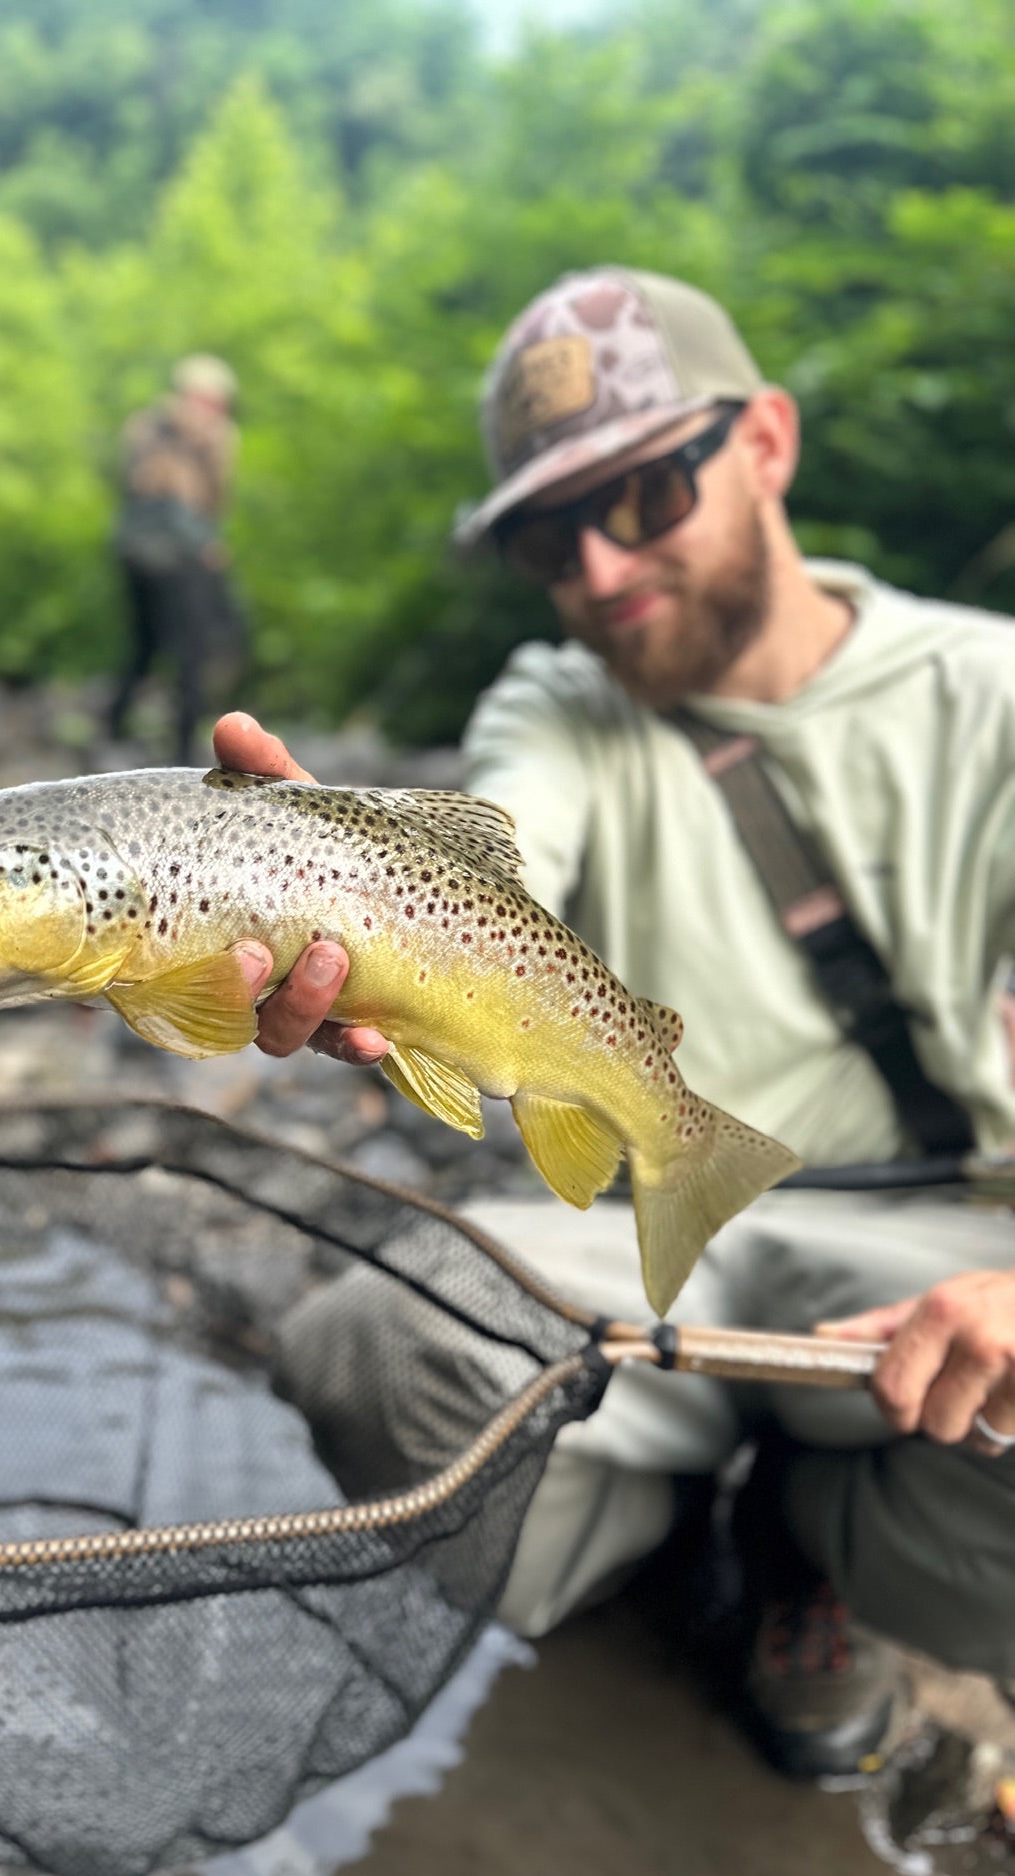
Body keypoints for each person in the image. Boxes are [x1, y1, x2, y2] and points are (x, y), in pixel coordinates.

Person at [209, 266, 1015, 1777]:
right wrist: (337, 888)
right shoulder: (556, 703)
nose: (595, 564)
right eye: (540, 533)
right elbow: (497, 843)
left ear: (765, 442)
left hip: (947, 1239)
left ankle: (814, 1549)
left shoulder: (993, 693)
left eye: (643, 494)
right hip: (676, 1241)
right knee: (374, 1356)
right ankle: (666, 1543)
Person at [108, 353, 245, 764]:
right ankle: (183, 751)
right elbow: (211, 499)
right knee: (194, 652)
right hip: (182, 556)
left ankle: (114, 727)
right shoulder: (215, 434)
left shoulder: (141, 425)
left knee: (145, 644)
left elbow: (128, 483)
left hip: (133, 549)